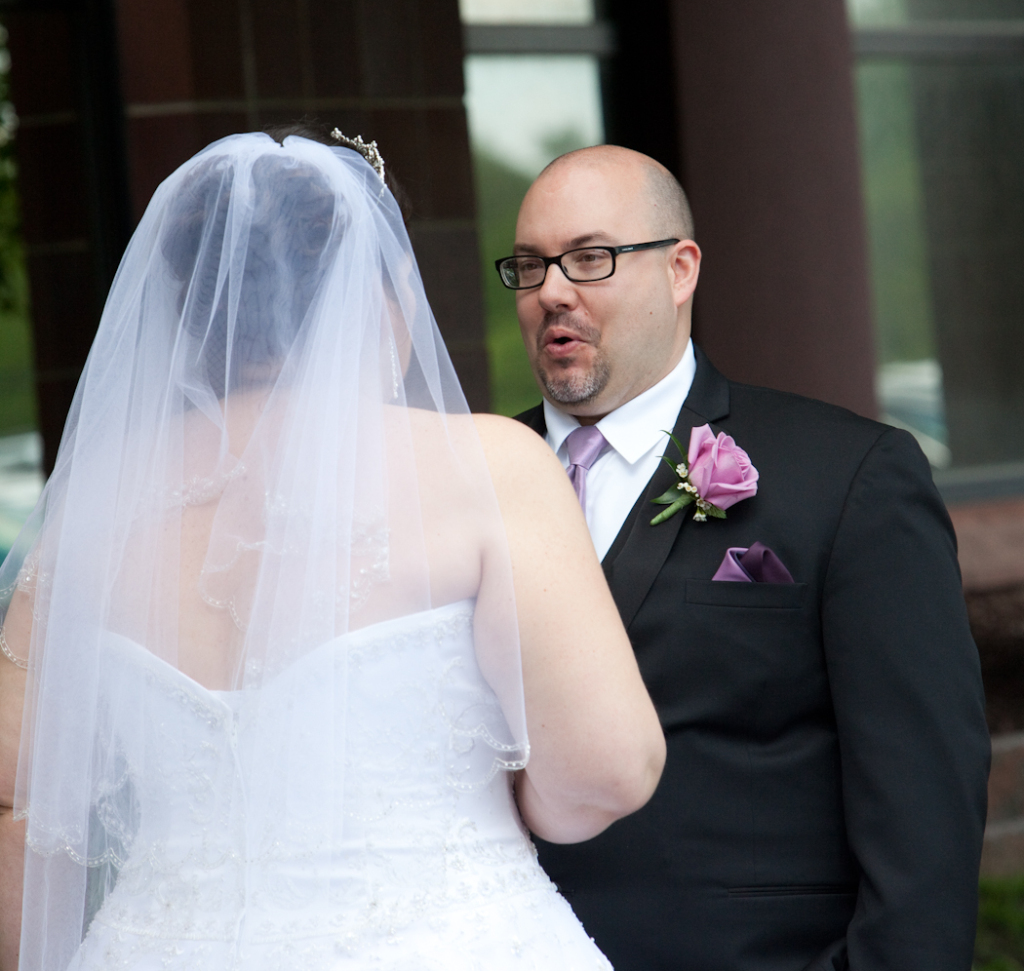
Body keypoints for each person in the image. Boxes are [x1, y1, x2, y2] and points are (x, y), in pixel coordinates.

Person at [0, 130, 667, 971]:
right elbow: (610, 770)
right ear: (375, 297)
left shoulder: (88, 514)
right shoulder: (486, 468)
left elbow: (14, 801)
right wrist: (508, 806)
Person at [503, 144, 991, 971]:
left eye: (590, 257)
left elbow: (926, 811)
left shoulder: (847, 476)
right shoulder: (466, 485)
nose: (552, 289)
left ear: (680, 269)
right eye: (529, 266)